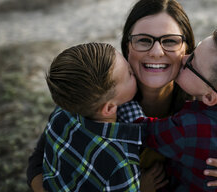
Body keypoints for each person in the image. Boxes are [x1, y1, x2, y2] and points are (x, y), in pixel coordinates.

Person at [27, 0, 217, 191]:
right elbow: (41, 156)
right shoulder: (96, 90)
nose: (156, 52)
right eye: (144, 40)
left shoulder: (206, 103)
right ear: (127, 46)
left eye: (170, 41)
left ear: (186, 49)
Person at [131, 29, 217, 191]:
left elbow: (143, 131)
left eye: (191, 62)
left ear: (210, 98)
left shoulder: (191, 127)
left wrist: (128, 102)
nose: (182, 58)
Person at [42, 43, 145, 191]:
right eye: (129, 73)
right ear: (109, 108)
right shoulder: (121, 161)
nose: (133, 69)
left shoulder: (61, 113)